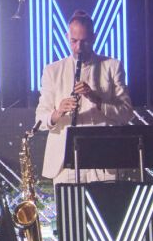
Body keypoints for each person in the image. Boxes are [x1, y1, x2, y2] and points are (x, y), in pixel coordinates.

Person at [36, 10, 135, 181]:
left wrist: (96, 99)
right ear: (67, 36)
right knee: (68, 208)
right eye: (73, 41)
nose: (79, 48)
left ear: (94, 38)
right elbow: (40, 119)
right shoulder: (52, 71)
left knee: (106, 208)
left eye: (85, 42)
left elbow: (126, 113)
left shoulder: (112, 66)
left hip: (104, 162)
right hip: (64, 165)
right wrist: (58, 112)